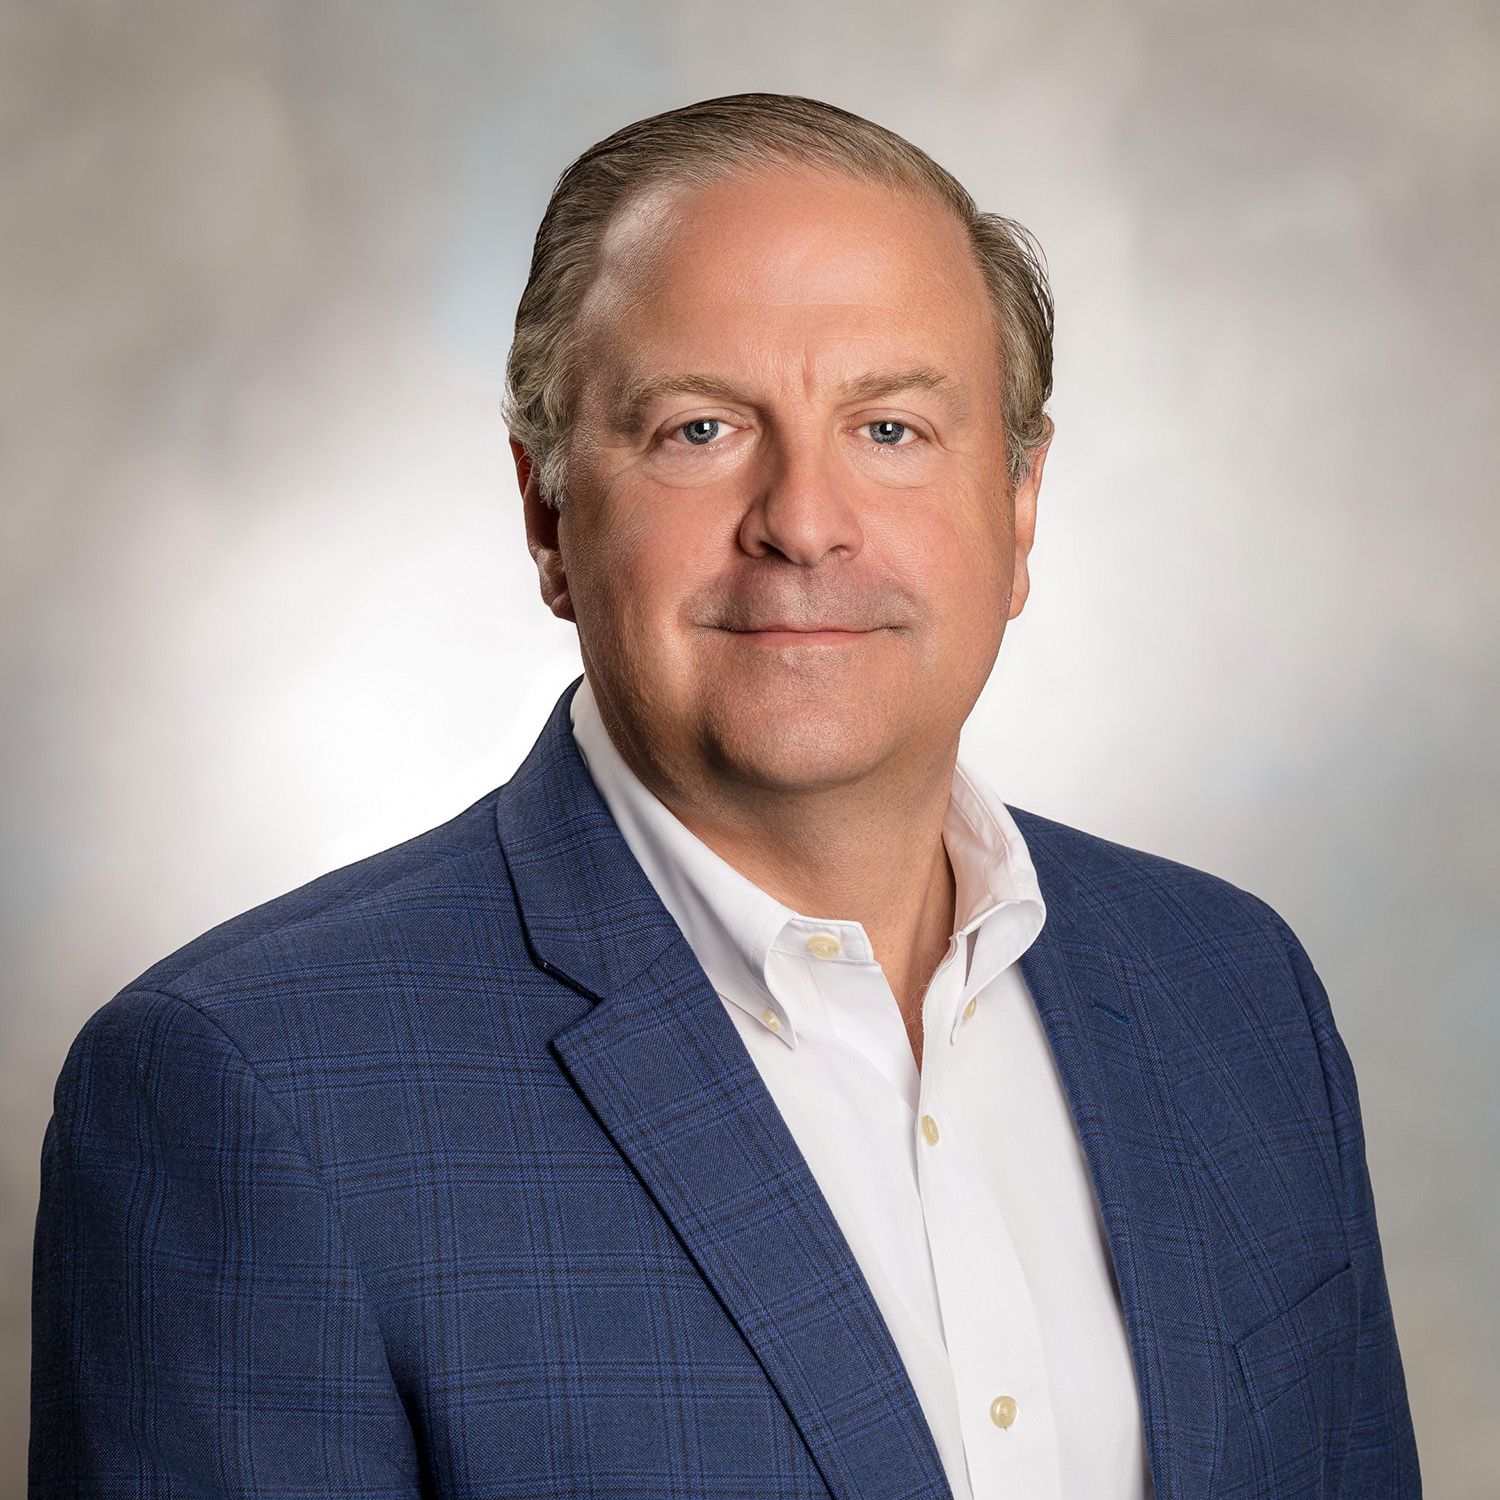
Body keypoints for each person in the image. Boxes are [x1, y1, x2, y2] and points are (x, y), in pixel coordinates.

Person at [30, 92, 1420, 1499]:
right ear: (547, 513)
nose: (803, 519)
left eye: (890, 428)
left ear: (1018, 508)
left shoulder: (1236, 992)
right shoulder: (252, 1090)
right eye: (698, 429)